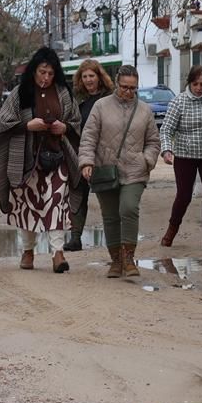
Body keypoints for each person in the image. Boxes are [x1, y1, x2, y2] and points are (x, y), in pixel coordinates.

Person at [0, 48, 80, 273]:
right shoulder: (20, 93)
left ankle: (58, 254)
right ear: (34, 71)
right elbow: (1, 124)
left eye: (50, 73)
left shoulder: (64, 93)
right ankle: (28, 252)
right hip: (26, 161)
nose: (46, 78)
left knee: (57, 203)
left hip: (58, 156)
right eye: (42, 72)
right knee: (27, 206)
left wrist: (64, 127)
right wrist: (28, 125)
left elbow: (76, 121)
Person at [77, 64, 161, 278]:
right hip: (106, 169)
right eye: (124, 87)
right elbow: (89, 137)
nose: (128, 92)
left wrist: (147, 160)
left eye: (133, 88)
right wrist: (87, 162)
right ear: (116, 84)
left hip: (135, 169)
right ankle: (116, 260)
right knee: (111, 216)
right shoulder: (100, 106)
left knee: (129, 208)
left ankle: (129, 258)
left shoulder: (144, 110)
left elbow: (153, 141)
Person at [159, 64, 202, 252]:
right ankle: (171, 231)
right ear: (189, 83)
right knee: (184, 196)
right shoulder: (179, 102)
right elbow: (166, 129)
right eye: (195, 84)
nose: (199, 88)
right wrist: (166, 150)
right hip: (185, 155)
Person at [63, 59, 113, 254]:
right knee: (77, 194)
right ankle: (75, 238)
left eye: (91, 76)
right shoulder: (78, 99)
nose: (88, 80)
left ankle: (114, 240)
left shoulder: (109, 97)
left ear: (99, 77)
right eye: (84, 77)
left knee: (107, 197)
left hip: (104, 153)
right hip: (81, 153)